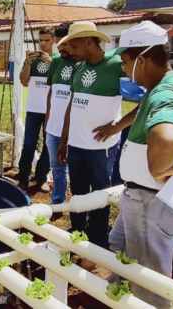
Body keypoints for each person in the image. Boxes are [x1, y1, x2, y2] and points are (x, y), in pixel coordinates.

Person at [106, 21, 173, 308]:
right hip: (143, 197)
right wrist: (118, 125)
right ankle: (116, 298)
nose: (123, 69)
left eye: (125, 62)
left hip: (150, 199)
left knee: (149, 279)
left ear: (143, 60)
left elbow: (167, 136)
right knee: (120, 246)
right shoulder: (172, 82)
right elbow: (147, 106)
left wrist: (159, 170)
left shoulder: (165, 94)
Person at [55, 22, 138, 250]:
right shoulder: (79, 68)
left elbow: (147, 100)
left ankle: (99, 241)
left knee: (101, 196)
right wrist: (64, 141)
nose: (70, 51)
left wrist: (118, 126)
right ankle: (78, 234)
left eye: (74, 45)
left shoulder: (115, 66)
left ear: (90, 40)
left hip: (101, 148)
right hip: (76, 146)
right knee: (79, 194)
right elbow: (72, 106)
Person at [43, 22, 78, 204]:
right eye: (58, 44)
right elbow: (51, 91)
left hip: (75, 129)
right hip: (54, 127)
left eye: (64, 44)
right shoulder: (56, 60)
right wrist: (48, 119)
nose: (61, 48)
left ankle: (82, 206)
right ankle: (57, 201)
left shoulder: (82, 63)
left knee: (78, 170)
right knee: (57, 167)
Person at [17, 26, 54, 191]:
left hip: (52, 110)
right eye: (41, 40)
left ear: (54, 40)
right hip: (33, 108)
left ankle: (41, 177)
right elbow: (23, 81)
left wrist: (52, 64)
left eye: (47, 40)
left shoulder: (59, 60)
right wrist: (28, 63)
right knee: (29, 144)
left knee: (48, 145)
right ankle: (23, 178)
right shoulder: (32, 60)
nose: (43, 44)